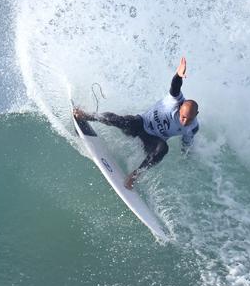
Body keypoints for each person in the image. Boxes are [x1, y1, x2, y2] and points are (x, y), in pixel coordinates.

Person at [73, 56, 200, 190]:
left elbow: (187, 144)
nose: (185, 121)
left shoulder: (192, 128)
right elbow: (175, 85)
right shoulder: (173, 102)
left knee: (163, 149)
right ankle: (88, 116)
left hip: (151, 141)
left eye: (189, 119)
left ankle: (135, 175)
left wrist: (186, 157)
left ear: (196, 115)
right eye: (183, 117)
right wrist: (179, 74)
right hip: (141, 124)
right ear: (180, 109)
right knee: (123, 121)